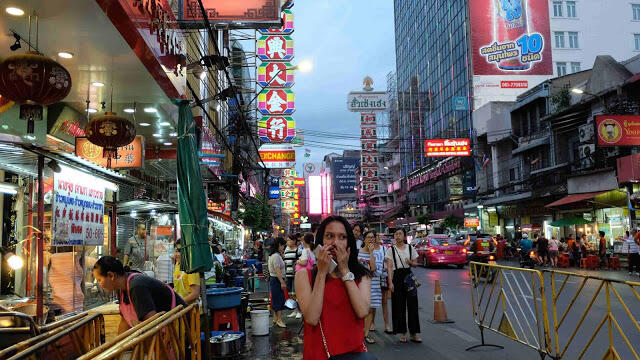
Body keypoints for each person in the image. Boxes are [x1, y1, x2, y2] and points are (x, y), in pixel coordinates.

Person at [295, 216, 373, 360]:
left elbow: (362, 311)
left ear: (349, 243)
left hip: (353, 354)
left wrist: (344, 270)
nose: (335, 243)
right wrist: (322, 273)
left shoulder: (362, 276)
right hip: (318, 354)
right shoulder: (303, 276)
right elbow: (312, 318)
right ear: (320, 242)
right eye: (329, 236)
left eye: (342, 237)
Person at [93, 256, 185, 332]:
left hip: (182, 329)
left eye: (99, 280)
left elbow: (151, 324)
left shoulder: (136, 286)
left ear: (111, 276)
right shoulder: (120, 287)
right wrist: (118, 348)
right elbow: (124, 322)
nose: (99, 284)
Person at [386, 228, 421, 343]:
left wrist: (411, 263)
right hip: (397, 277)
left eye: (400, 234)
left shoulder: (411, 248)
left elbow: (416, 263)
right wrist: (390, 282)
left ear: (405, 237)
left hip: (408, 277)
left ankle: (414, 333)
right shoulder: (390, 250)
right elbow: (390, 267)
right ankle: (403, 333)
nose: (397, 236)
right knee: (399, 306)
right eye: (396, 234)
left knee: (413, 306)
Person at [358, 230, 384, 344]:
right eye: (368, 238)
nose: (370, 240)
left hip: (373, 285)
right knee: (360, 310)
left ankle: (366, 334)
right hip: (360, 285)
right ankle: (358, 333)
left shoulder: (377, 253)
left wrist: (371, 253)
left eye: (372, 238)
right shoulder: (357, 253)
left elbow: (373, 269)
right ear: (364, 240)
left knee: (370, 310)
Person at [268, 237, 287, 328]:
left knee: (276, 299)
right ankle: (279, 319)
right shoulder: (275, 256)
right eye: (283, 245)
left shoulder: (274, 255)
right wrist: (282, 282)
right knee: (279, 299)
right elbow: (277, 270)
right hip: (277, 279)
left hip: (274, 279)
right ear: (279, 245)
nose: (283, 247)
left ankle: (276, 318)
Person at [376, 232, 392, 334]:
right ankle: (371, 323)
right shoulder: (370, 250)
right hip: (373, 278)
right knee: (371, 303)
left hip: (383, 277)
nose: (377, 238)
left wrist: (387, 267)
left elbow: (389, 262)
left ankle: (387, 325)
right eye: (375, 236)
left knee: (384, 301)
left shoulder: (384, 249)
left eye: (377, 236)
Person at [284, 235, 302, 319]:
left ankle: (299, 311)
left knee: (296, 294)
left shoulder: (298, 250)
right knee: (290, 294)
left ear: (294, 241)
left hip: (296, 274)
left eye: (289, 240)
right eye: (287, 240)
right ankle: (294, 311)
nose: (287, 242)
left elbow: (301, 262)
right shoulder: (286, 250)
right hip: (288, 274)